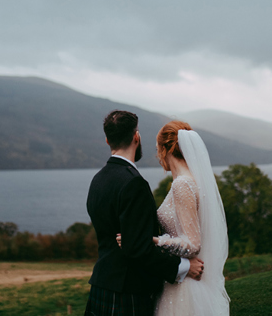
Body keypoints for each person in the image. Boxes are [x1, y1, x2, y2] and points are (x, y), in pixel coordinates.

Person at [85, 110, 205, 316]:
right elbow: (138, 248)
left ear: (107, 140)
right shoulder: (134, 184)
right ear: (136, 137)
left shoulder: (97, 180)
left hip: (100, 286)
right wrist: (182, 267)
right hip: (128, 292)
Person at [118, 120, 230, 315]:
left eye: (157, 149)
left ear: (165, 149)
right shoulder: (189, 180)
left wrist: (152, 240)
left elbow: (193, 244)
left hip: (184, 288)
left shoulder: (182, 185)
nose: (157, 156)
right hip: (182, 280)